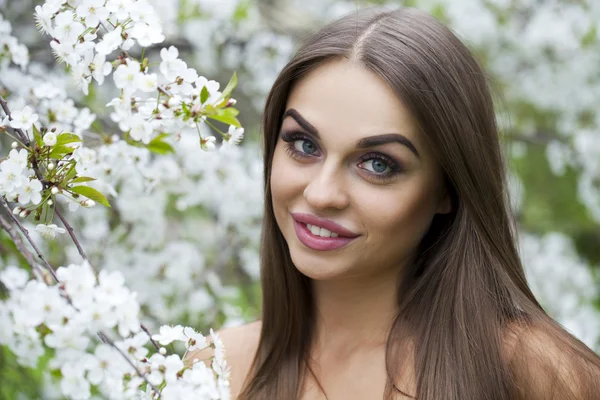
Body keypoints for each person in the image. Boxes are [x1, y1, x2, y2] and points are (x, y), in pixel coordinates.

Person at [187, 6, 600, 399]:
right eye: (303, 144)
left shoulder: (537, 372)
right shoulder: (215, 368)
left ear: (448, 189)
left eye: (378, 164)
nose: (321, 193)